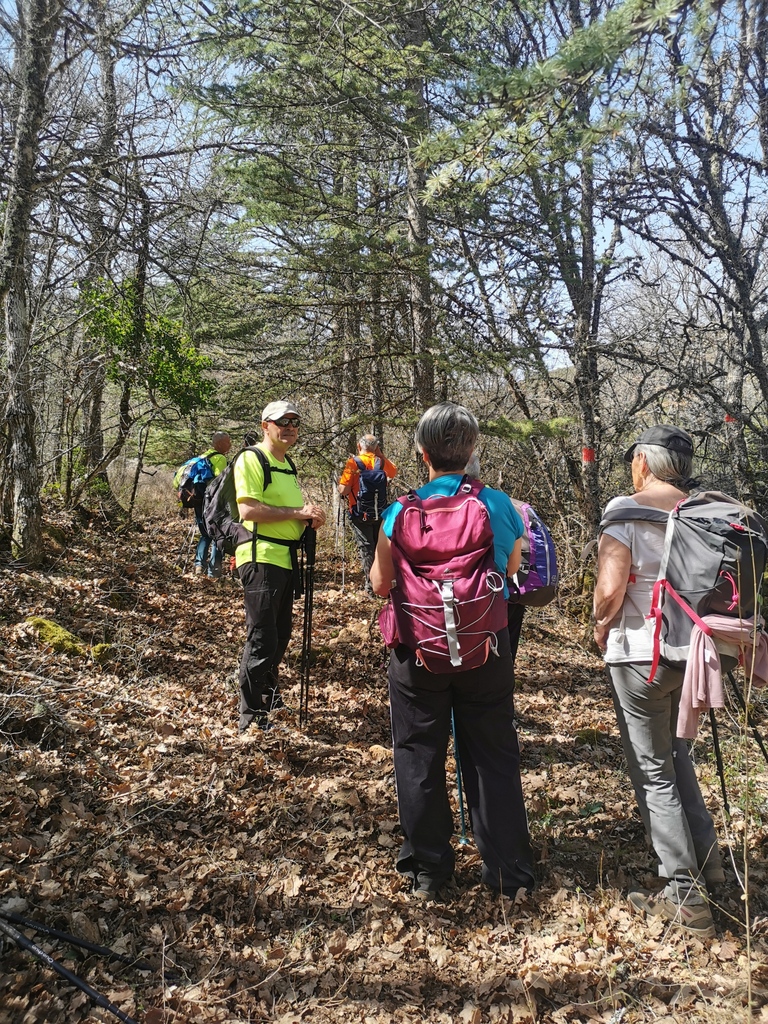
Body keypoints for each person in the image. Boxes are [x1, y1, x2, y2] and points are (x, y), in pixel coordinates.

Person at [370, 403, 535, 900]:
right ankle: (508, 875)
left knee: (418, 753)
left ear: (422, 454)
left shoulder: (399, 511)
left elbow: (382, 585)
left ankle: (430, 871)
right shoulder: (499, 504)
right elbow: (512, 573)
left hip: (416, 649)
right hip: (486, 645)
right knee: (493, 753)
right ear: (472, 450)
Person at [593, 424, 723, 938]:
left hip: (641, 656)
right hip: (694, 654)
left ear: (643, 464)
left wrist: (600, 625)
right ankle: (711, 869)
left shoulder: (624, 510)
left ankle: (686, 899)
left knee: (653, 771)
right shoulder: (701, 511)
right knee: (676, 758)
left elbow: (609, 590)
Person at [234, 401, 326, 734]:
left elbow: (289, 512)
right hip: (260, 557)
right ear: (265, 426)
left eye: (294, 421)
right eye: (281, 421)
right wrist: (297, 513)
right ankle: (251, 714)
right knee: (263, 637)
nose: (289, 426)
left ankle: (268, 696)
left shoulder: (287, 464)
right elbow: (248, 510)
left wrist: (309, 521)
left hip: (285, 558)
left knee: (281, 635)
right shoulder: (252, 458)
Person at [338, 435, 397, 595]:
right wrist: (380, 454)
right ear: (377, 447)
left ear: (359, 446)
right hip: (380, 512)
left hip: (359, 513)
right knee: (380, 547)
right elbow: (394, 472)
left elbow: (343, 490)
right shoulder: (381, 462)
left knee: (367, 549)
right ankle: (383, 585)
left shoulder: (354, 463)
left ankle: (371, 588)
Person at [184, 431, 231, 578]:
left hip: (198, 500)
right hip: (212, 503)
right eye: (228, 442)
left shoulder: (202, 457)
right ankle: (214, 571)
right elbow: (220, 483)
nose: (230, 444)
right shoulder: (220, 458)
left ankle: (199, 565)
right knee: (218, 534)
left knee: (205, 534)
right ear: (220, 444)